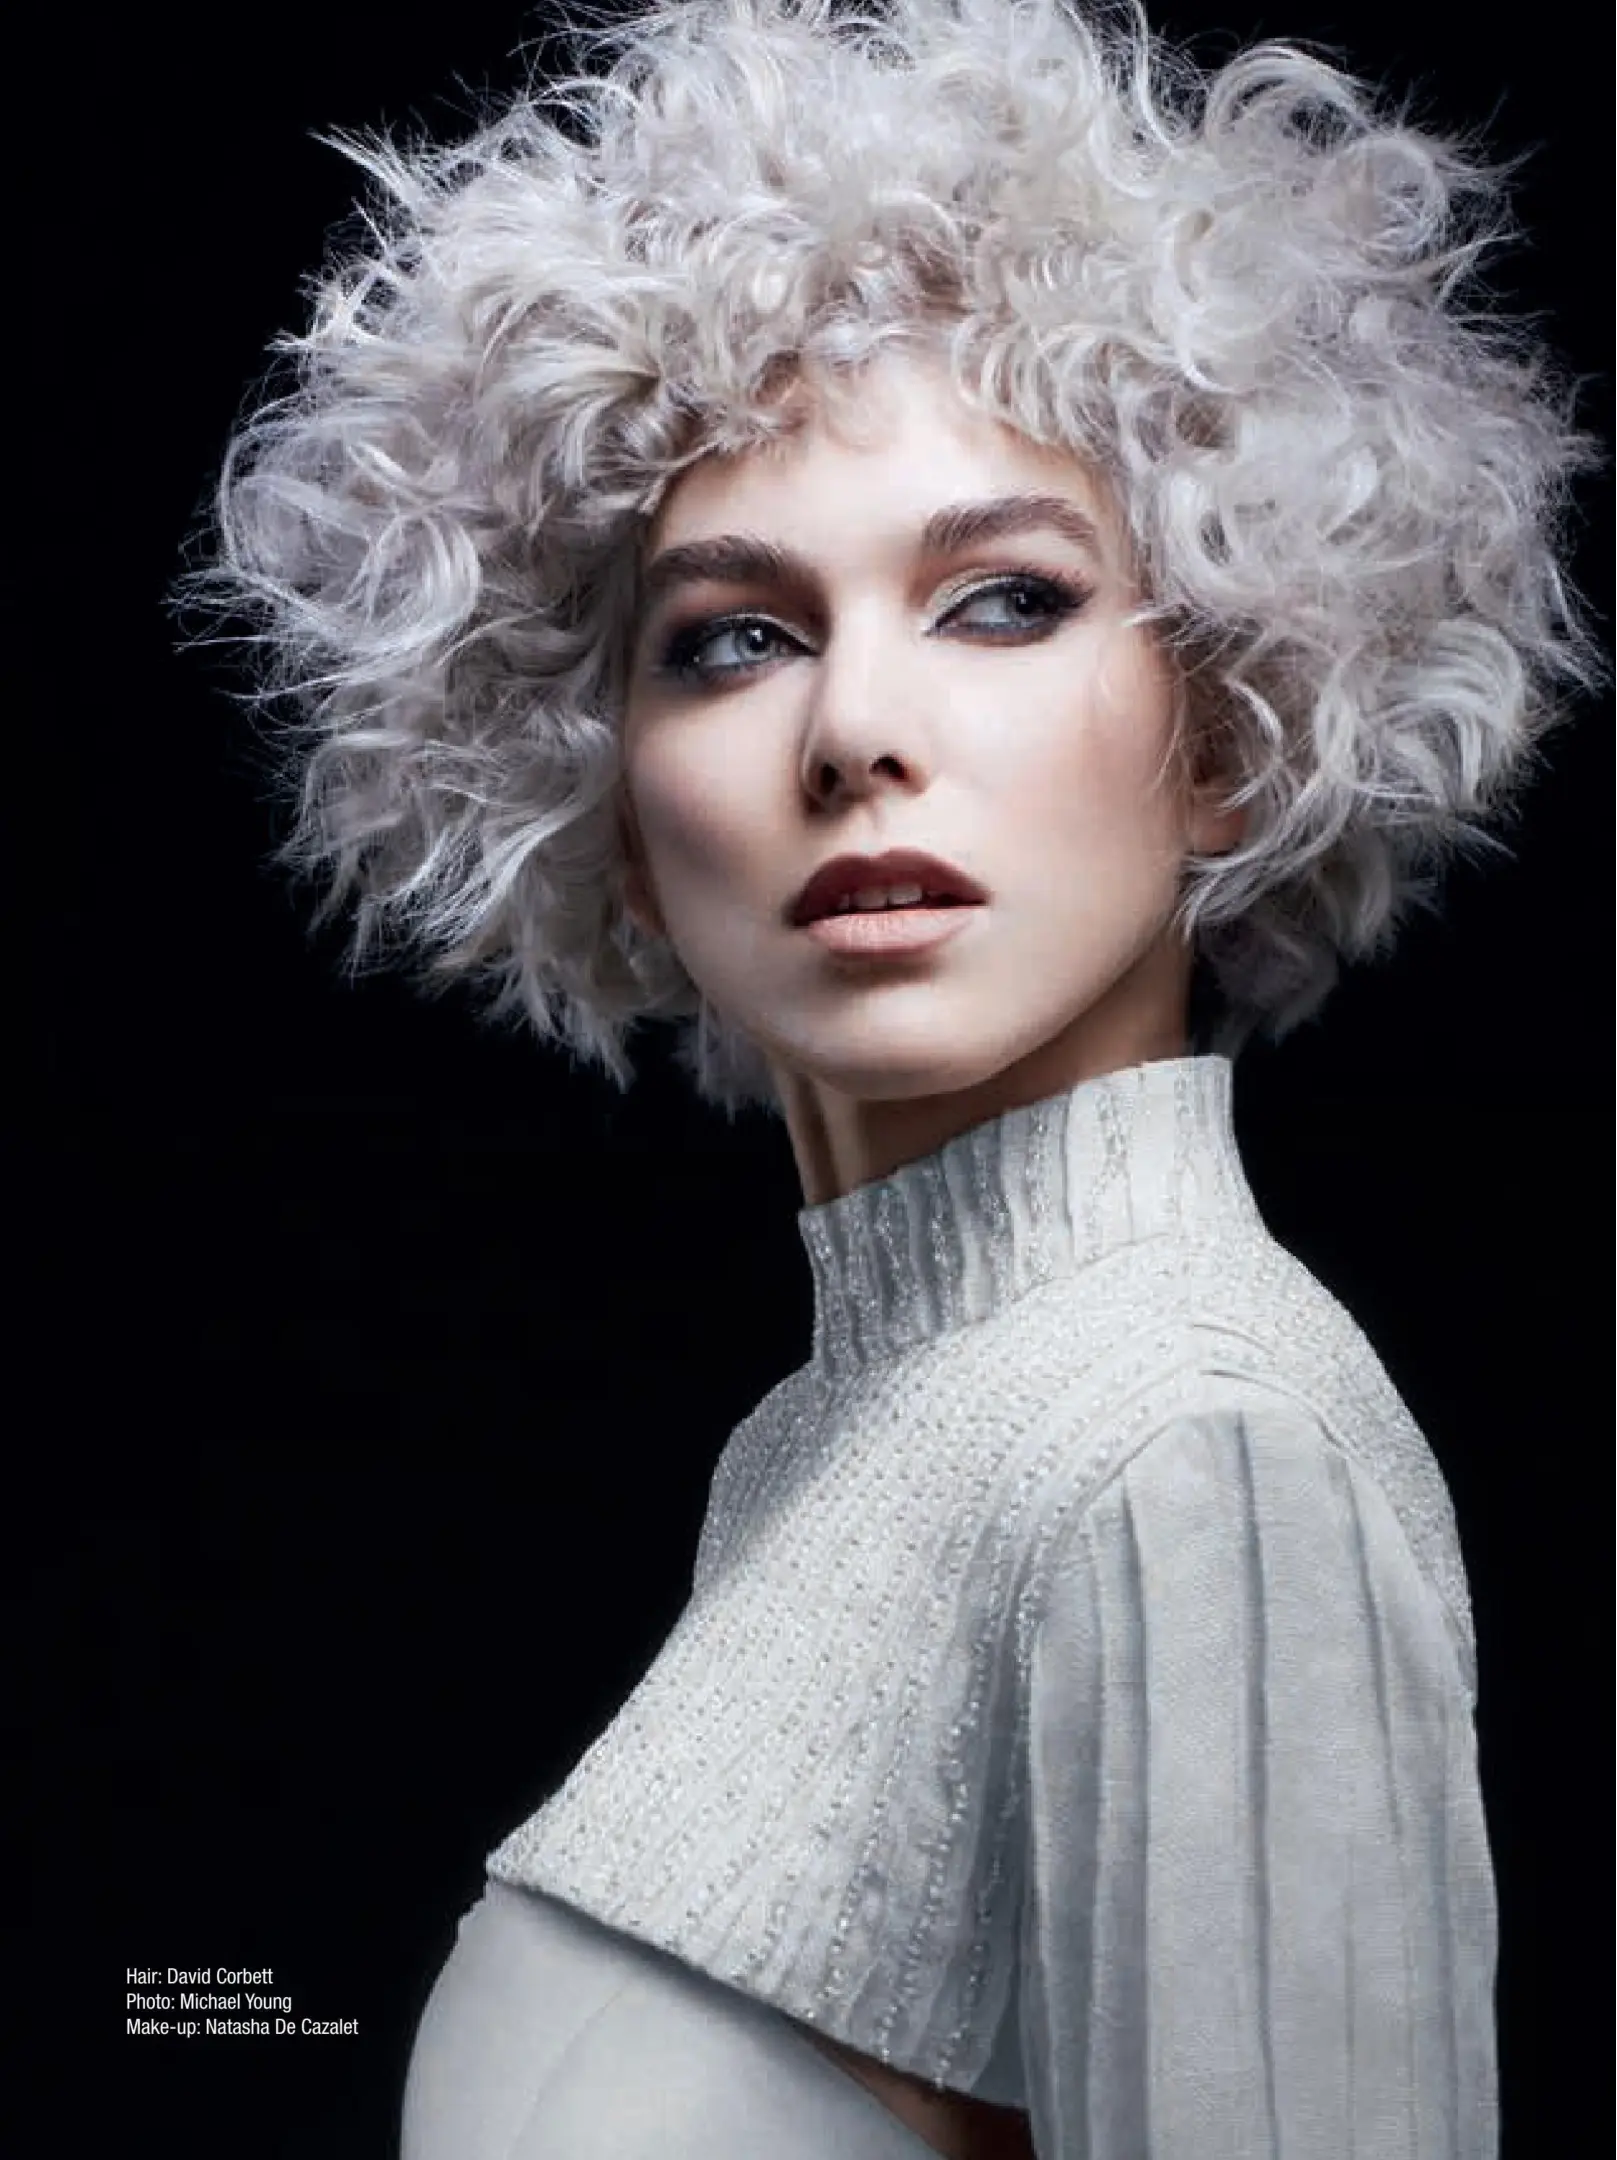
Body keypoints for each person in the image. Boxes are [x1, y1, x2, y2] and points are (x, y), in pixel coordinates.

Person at [193, 0, 1595, 2152]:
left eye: (1003, 601)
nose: (854, 730)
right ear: (618, 819)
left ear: (1227, 734)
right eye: (734, 638)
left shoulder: (1192, 1449)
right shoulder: (820, 1444)